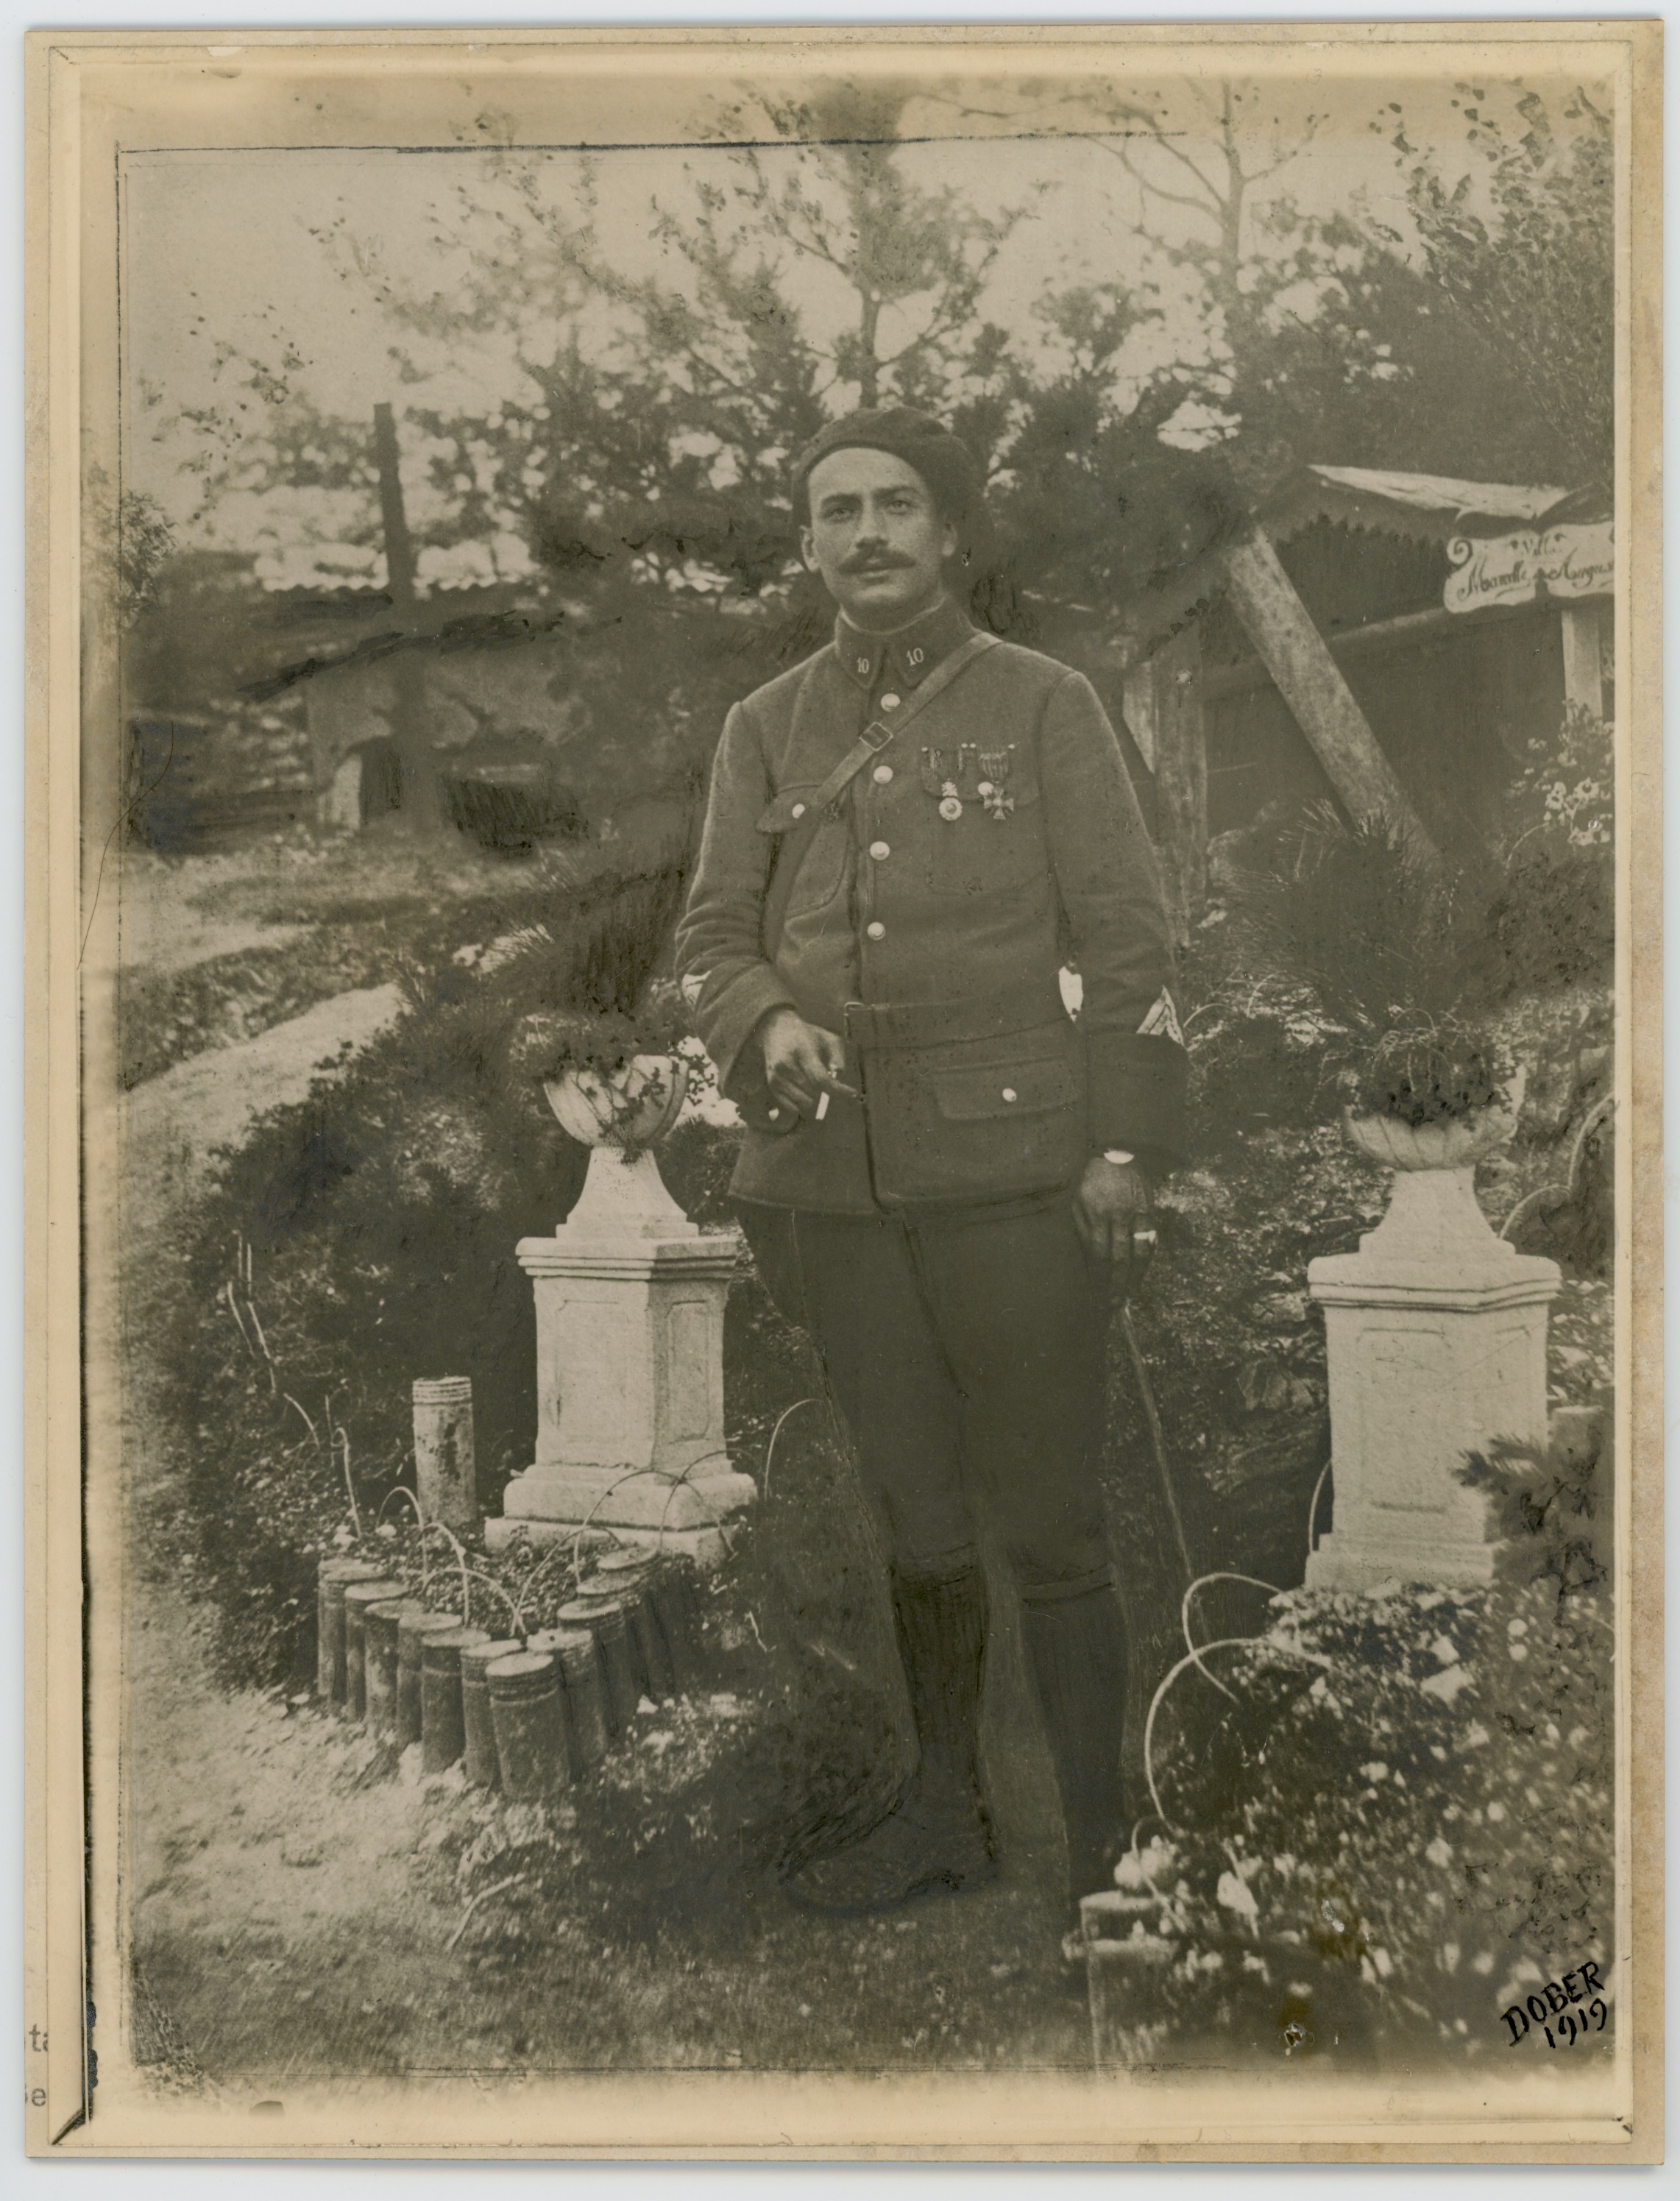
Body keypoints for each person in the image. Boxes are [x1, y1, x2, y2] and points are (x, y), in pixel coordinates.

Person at [676, 405, 1188, 1919]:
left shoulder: (1042, 705)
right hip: (830, 1189)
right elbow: (710, 936)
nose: (867, 533)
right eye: (835, 510)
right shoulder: (765, 726)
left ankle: (1099, 1846)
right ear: (807, 541)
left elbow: (1129, 937)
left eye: (896, 504)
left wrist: (1120, 1145)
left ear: (949, 532)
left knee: (1048, 1517)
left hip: (1021, 1175)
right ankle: (943, 1816)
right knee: (912, 1509)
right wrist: (762, 1021)